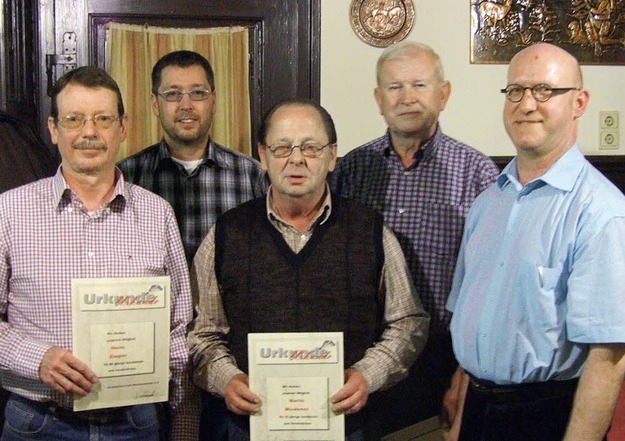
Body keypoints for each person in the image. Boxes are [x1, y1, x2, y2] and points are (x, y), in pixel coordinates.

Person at [188, 99, 429, 441]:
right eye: (283, 147)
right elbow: (201, 332)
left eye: (311, 147)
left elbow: (408, 322)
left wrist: (367, 375)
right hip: (249, 426)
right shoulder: (228, 233)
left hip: (347, 426)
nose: (296, 158)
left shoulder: (370, 231)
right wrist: (225, 378)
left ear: (332, 156)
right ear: (263, 155)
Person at [445, 42, 625, 441]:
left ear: (579, 102)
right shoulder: (487, 202)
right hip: (478, 412)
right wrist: (464, 419)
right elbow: (475, 325)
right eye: (515, 90)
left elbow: (609, 357)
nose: (526, 103)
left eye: (545, 90)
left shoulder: (602, 213)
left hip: (547, 418)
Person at [0, 66, 198, 441]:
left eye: (102, 119)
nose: (89, 132)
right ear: (54, 128)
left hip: (136, 424)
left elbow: (181, 328)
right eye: (74, 119)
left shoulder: (157, 215)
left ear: (122, 127)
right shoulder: (9, 212)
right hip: (38, 423)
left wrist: (175, 404)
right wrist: (36, 359)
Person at [331, 41, 498, 433]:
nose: (407, 98)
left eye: (420, 85)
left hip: (444, 358)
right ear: (378, 98)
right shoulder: (352, 169)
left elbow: (489, 283)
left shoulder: (478, 174)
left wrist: (464, 374)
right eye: (394, 87)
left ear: (444, 94)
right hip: (365, 359)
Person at [118, 50, 266, 266]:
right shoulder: (126, 177)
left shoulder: (252, 175)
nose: (186, 105)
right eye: (172, 94)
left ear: (213, 101)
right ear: (155, 104)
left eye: (198, 93)